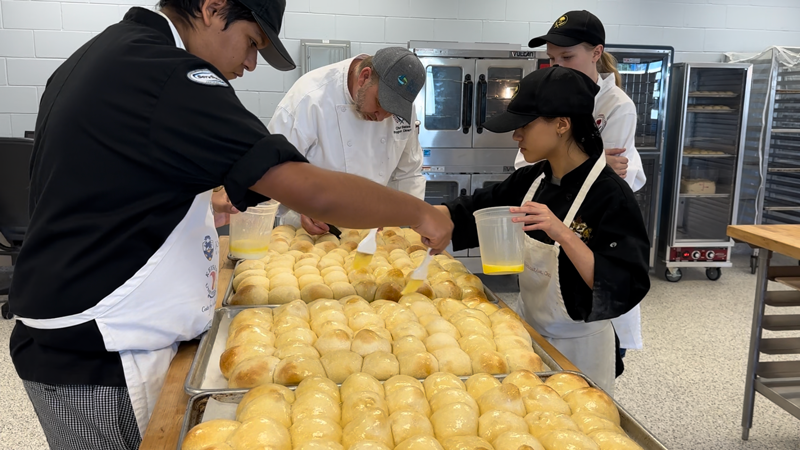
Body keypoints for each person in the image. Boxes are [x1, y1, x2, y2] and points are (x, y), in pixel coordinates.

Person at [6, 0, 452, 449]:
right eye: (251, 41)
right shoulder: (170, 76)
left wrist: (192, 207)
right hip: (101, 354)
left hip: (76, 336)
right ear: (212, 7)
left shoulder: (111, 53)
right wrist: (422, 213)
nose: (250, 62)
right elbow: (313, 192)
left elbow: (110, 184)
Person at [438, 66, 650, 396]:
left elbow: (622, 283)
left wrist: (564, 234)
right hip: (527, 337)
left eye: (524, 126)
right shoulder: (533, 178)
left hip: (581, 350)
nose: (516, 136)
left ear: (562, 125)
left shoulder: (610, 195)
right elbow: (475, 207)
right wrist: (423, 217)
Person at [520, 9, 646, 360]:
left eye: (567, 56)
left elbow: (599, 176)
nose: (558, 65)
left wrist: (585, 158)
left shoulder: (616, 105)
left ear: (595, 53)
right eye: (552, 59)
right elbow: (529, 163)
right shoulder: (550, 93)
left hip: (590, 236)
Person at [271, 47, 427, 234]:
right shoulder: (309, 97)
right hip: (311, 233)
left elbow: (409, 173)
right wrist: (303, 204)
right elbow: (273, 170)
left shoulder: (401, 110)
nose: (382, 117)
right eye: (380, 103)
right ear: (364, 77)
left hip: (372, 234)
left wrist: (415, 225)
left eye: (392, 111)